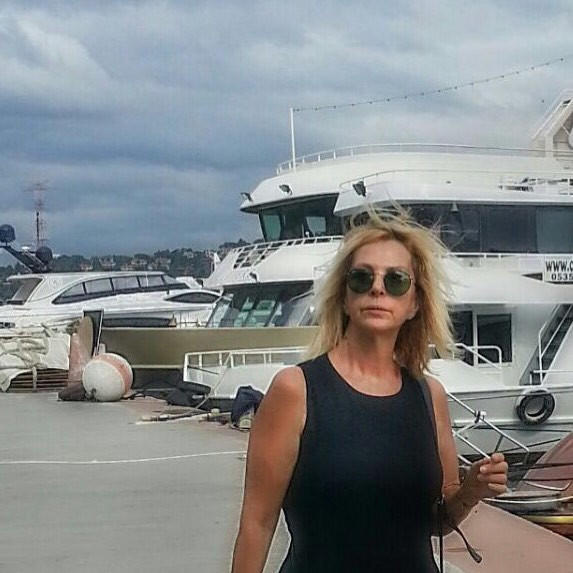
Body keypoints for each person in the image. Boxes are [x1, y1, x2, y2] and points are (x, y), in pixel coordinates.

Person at [231, 210, 508, 573]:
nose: (378, 289)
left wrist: (472, 491)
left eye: (396, 280)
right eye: (362, 278)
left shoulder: (429, 396)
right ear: (345, 297)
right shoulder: (296, 390)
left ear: (415, 304)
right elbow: (257, 523)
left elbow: (435, 523)